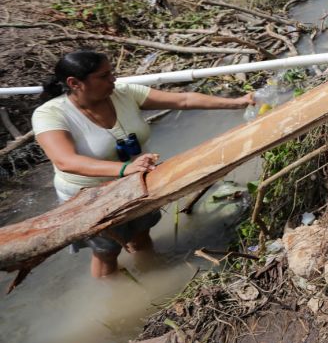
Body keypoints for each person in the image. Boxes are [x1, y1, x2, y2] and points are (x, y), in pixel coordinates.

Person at [31, 50, 254, 278]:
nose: (113, 80)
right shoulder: (50, 114)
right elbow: (65, 161)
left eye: (112, 73)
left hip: (136, 181)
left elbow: (183, 100)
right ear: (75, 83)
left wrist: (237, 102)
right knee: (107, 251)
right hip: (91, 196)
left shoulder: (124, 94)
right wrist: (125, 169)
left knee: (141, 234)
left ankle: (151, 275)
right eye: (104, 76)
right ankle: (114, 296)